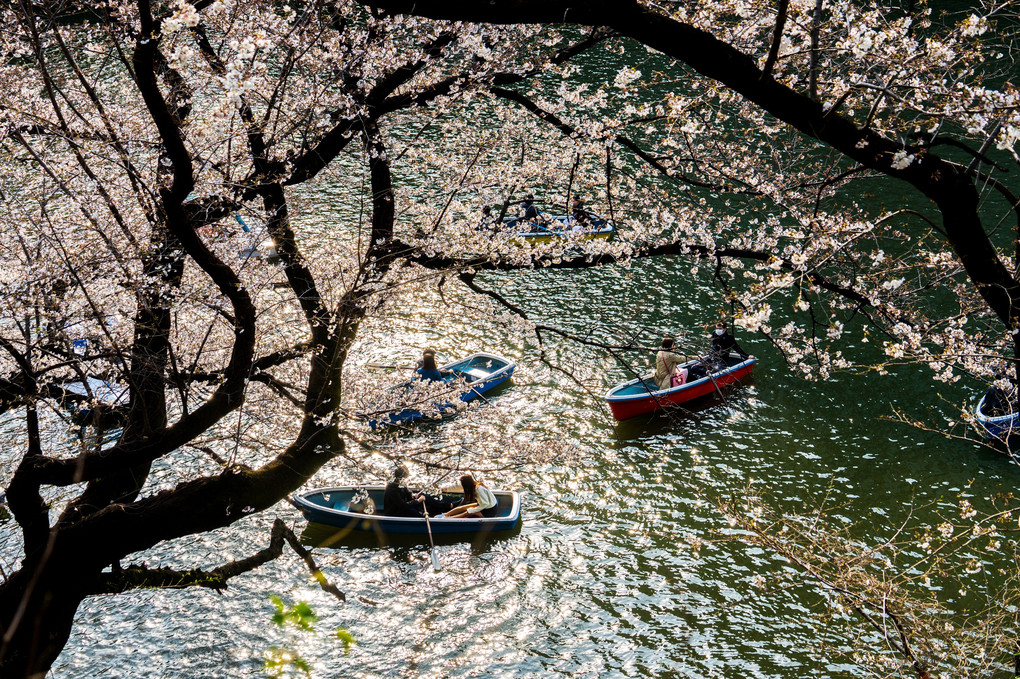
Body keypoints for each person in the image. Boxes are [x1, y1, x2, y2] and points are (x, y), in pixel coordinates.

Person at [383, 463, 454, 517]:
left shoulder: (401, 484)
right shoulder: (392, 489)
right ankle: (434, 517)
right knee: (417, 513)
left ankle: (448, 506)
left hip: (403, 507)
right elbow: (403, 505)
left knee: (426, 497)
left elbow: (408, 494)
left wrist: (413, 496)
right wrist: (418, 501)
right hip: (396, 512)